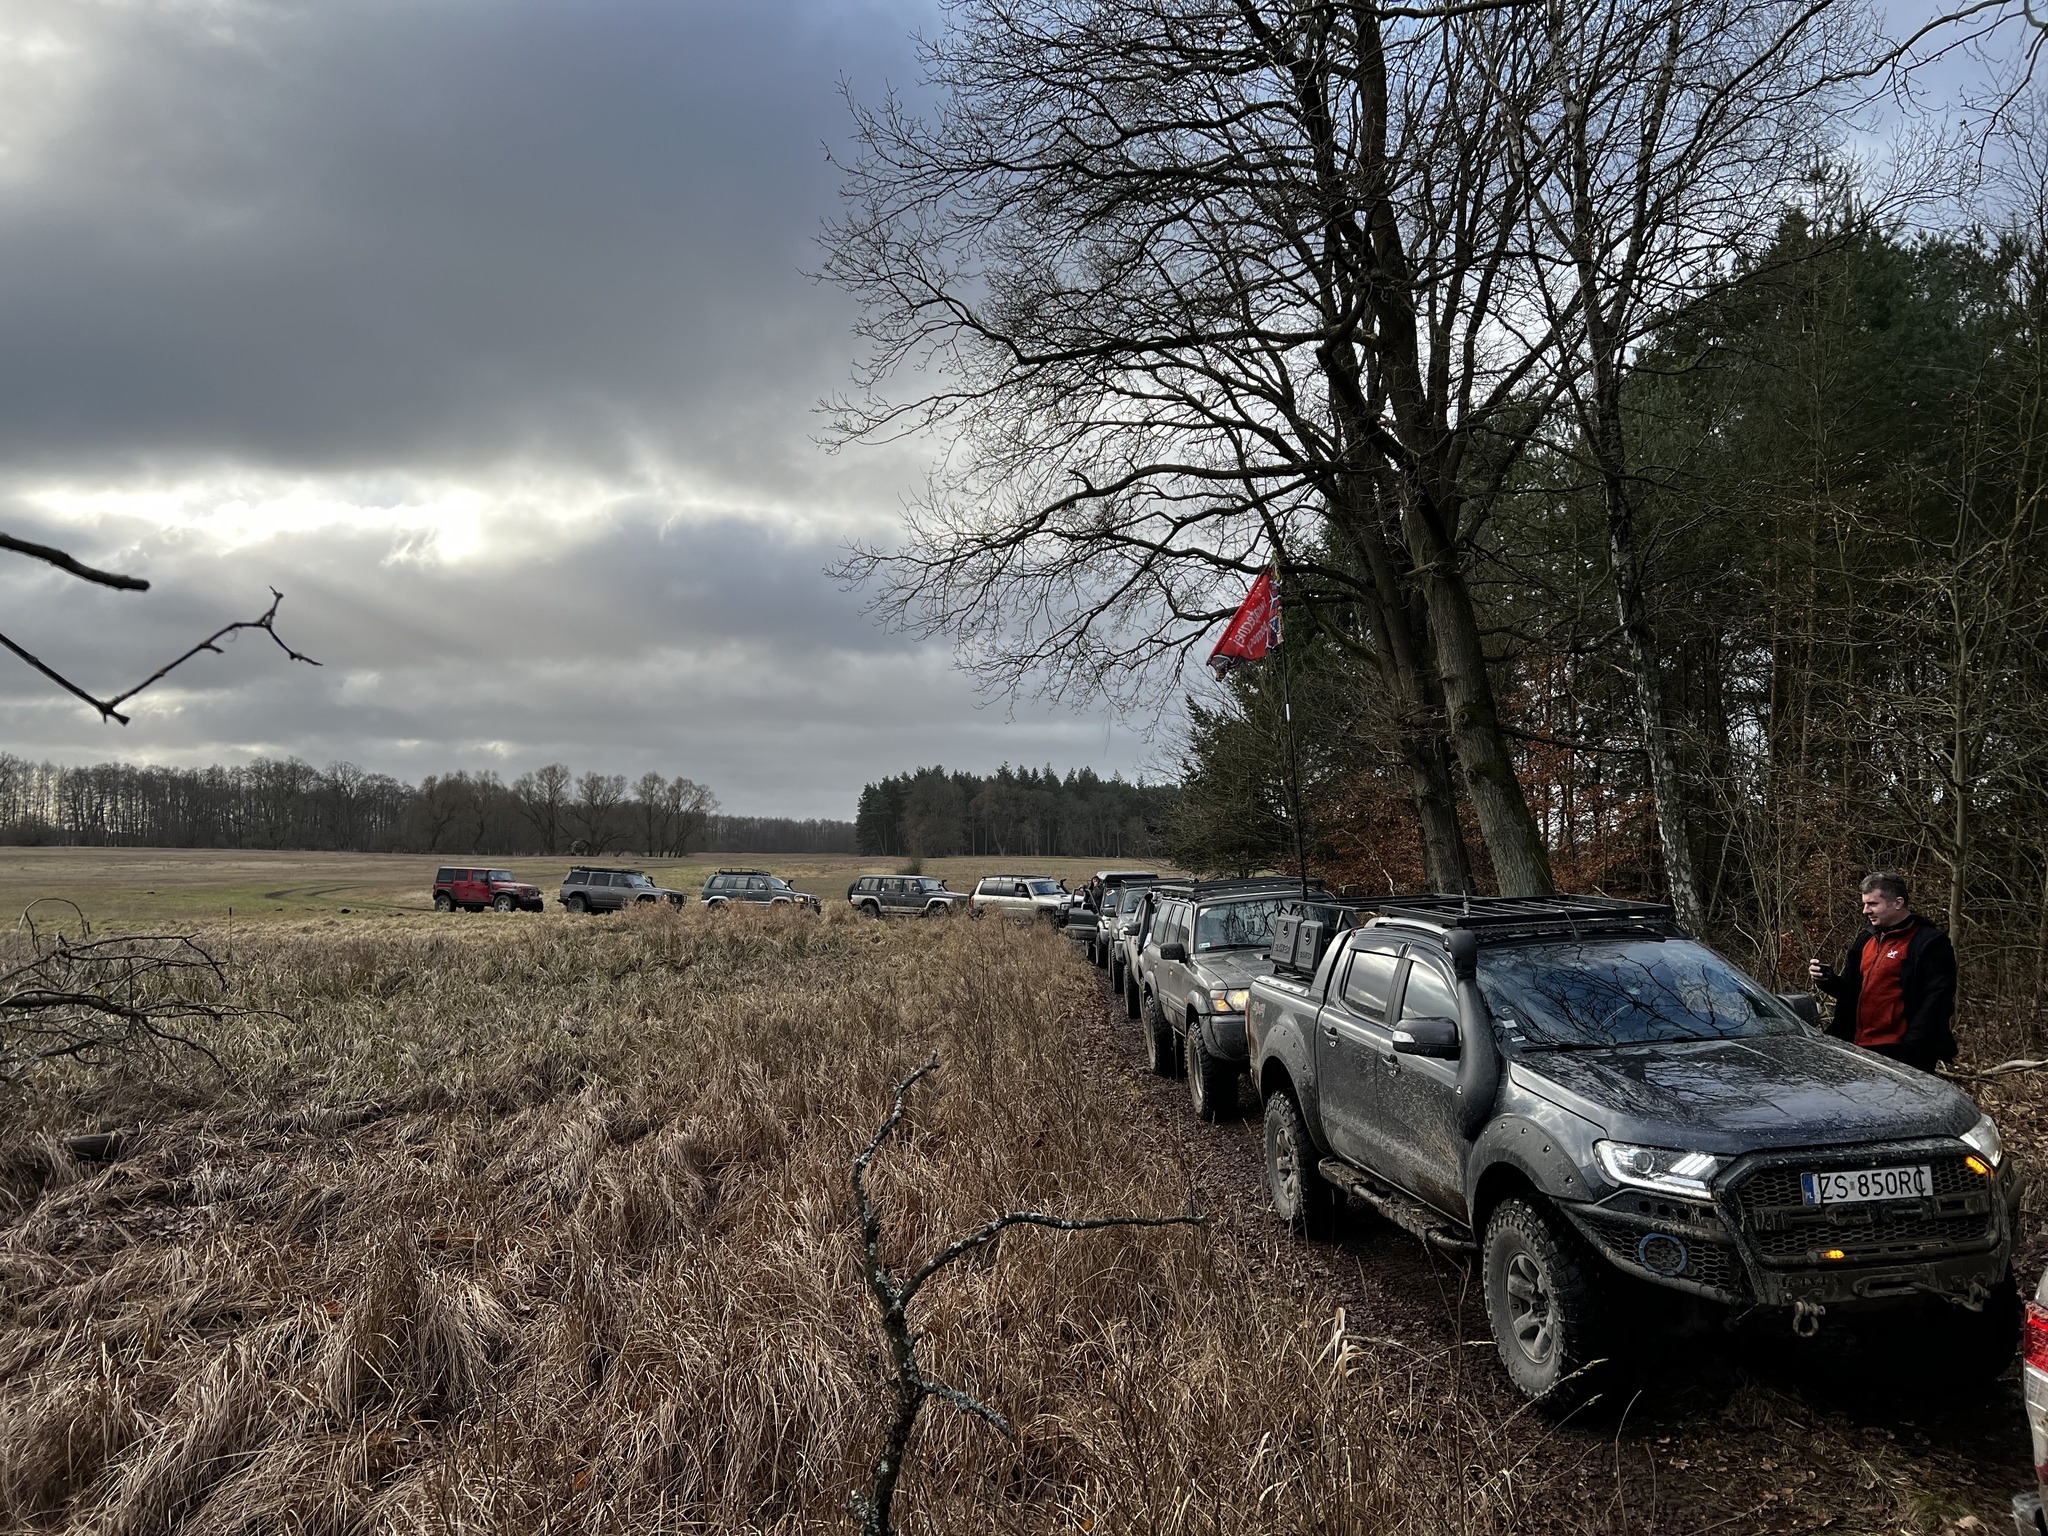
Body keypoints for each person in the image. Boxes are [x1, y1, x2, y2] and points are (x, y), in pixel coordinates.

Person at [1808, 872, 1958, 1071]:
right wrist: (1828, 981)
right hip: (1858, 1048)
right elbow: (1853, 993)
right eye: (1864, 904)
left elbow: (1937, 1002)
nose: (1865, 911)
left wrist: (1911, 1050)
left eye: (1872, 904)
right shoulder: (1866, 940)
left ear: (1897, 903)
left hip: (1902, 1054)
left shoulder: (1929, 943)